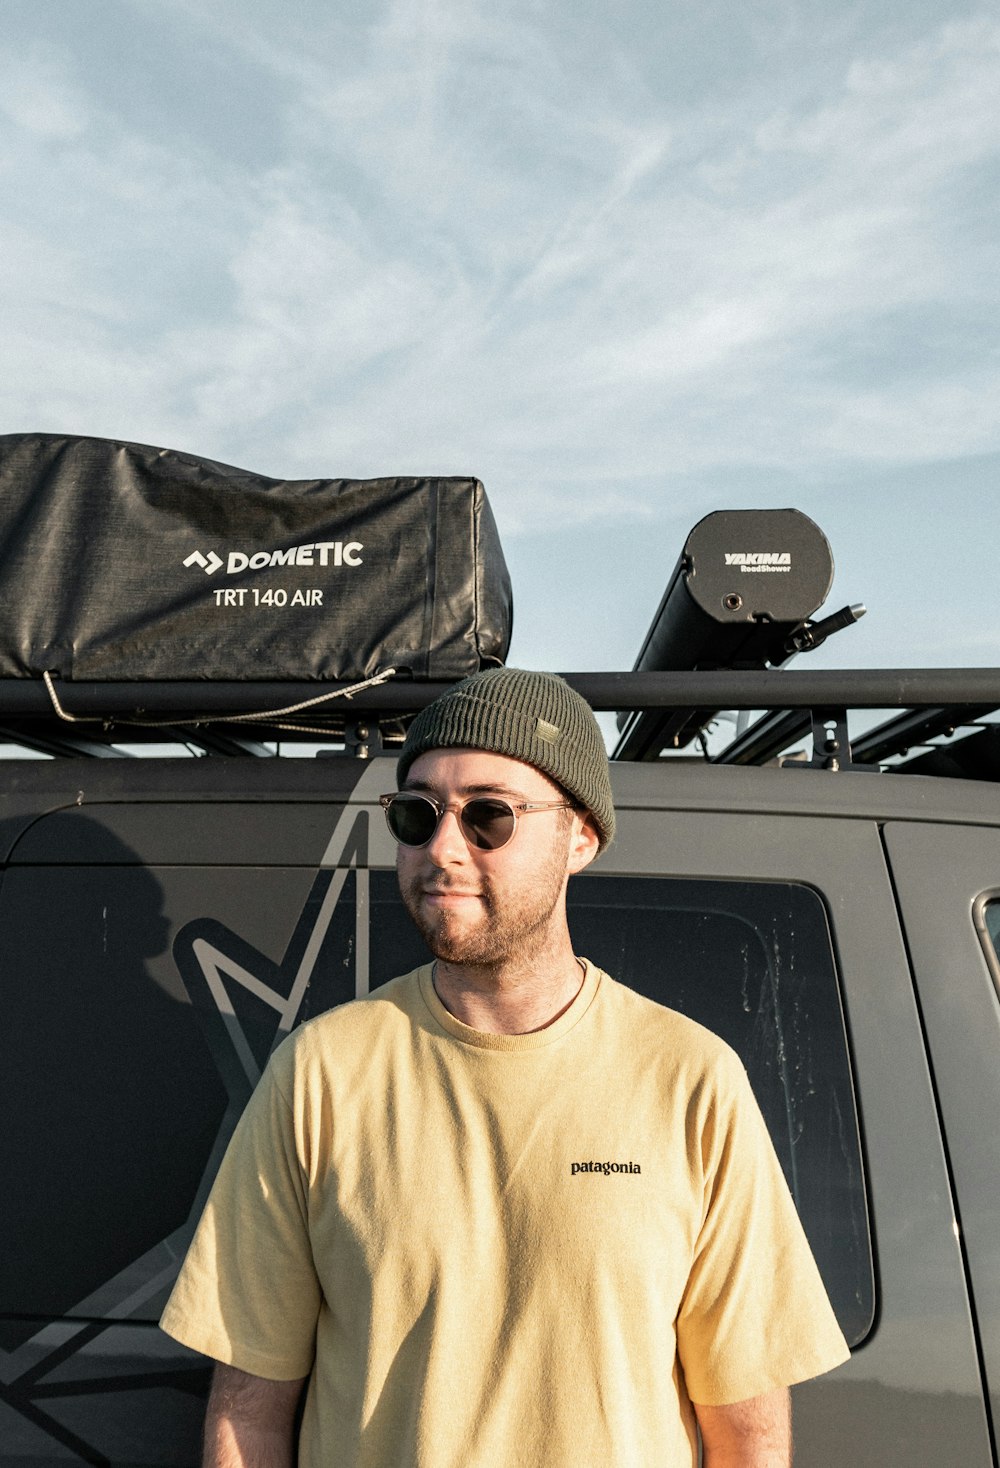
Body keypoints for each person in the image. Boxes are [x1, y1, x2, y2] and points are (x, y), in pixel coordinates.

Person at [161, 667, 849, 1467]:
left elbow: (746, 1428)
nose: (442, 848)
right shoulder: (321, 1073)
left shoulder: (690, 1079)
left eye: (489, 815)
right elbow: (248, 1413)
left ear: (581, 837)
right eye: (417, 815)